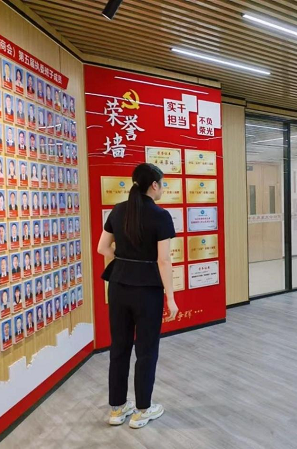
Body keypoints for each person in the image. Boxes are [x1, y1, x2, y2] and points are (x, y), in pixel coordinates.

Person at [98, 163, 177, 428]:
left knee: (119, 348)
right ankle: (142, 409)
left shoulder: (118, 210)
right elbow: (164, 261)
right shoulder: (161, 216)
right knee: (146, 350)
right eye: (162, 184)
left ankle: (117, 409)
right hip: (147, 291)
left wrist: (123, 262)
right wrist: (171, 298)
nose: (162, 188)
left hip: (118, 286)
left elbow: (102, 248)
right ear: (154, 185)